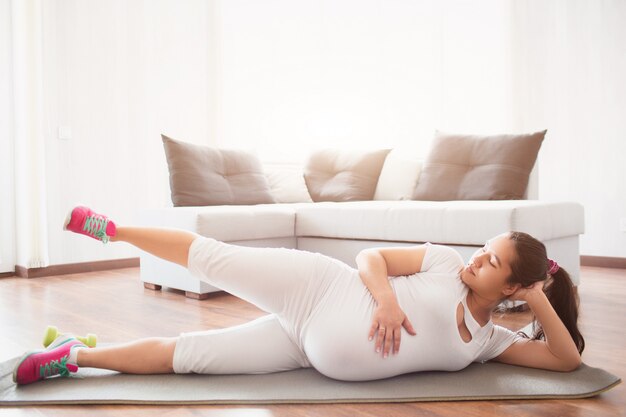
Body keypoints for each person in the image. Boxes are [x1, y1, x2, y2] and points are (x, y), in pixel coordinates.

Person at [12, 206, 584, 385]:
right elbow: (370, 259)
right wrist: (385, 300)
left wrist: (536, 301)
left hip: (303, 347)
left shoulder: (486, 342)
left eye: (493, 261)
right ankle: (113, 230)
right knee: (214, 258)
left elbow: (566, 359)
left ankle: (72, 355)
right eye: (485, 248)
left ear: (510, 286)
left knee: (187, 357)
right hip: (320, 286)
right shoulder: (444, 262)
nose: (477, 257)